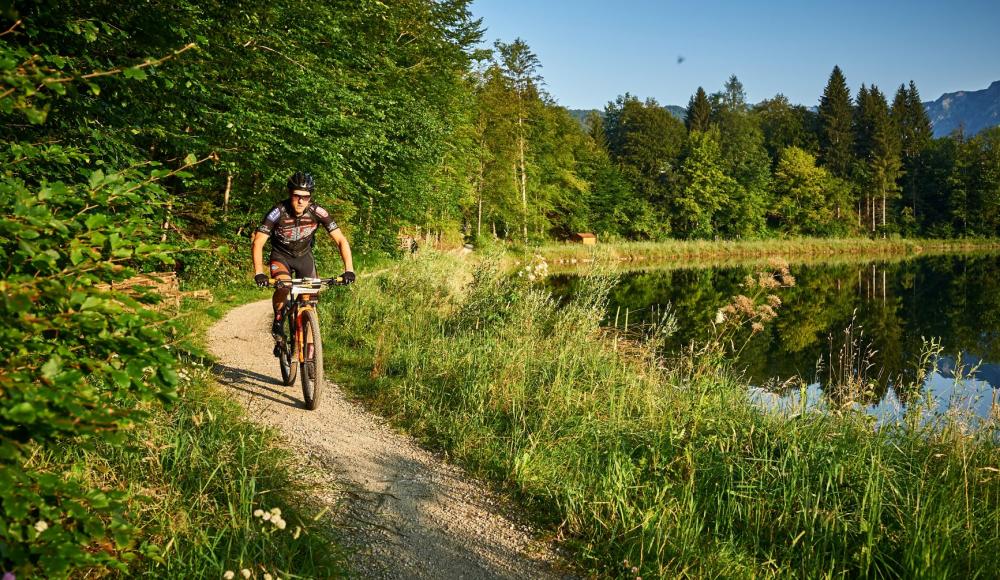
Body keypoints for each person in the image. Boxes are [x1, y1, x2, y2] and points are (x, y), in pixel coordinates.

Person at [251, 171, 354, 353]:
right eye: (296, 196)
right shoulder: (278, 212)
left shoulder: (317, 211)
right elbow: (258, 242)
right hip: (281, 256)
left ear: (310, 197)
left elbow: (340, 240)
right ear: (290, 194)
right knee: (284, 286)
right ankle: (278, 319)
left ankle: (311, 355)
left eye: (305, 197)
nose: (301, 201)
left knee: (310, 302)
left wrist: (349, 269)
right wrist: (259, 272)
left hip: (304, 257)